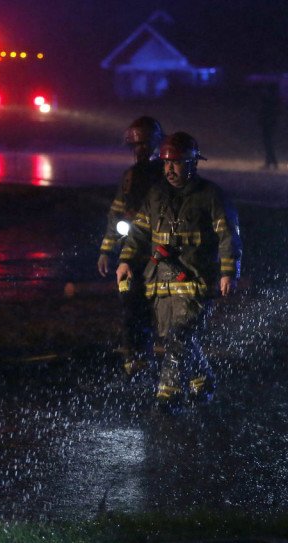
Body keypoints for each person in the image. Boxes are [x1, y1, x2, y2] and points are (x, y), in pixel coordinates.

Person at [116, 132, 242, 410]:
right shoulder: (156, 195)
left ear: (192, 164)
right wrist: (125, 261)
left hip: (196, 280)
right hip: (160, 282)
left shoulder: (211, 196)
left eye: (177, 163)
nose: (170, 169)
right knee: (173, 337)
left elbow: (228, 236)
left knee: (181, 336)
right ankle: (202, 380)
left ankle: (167, 393)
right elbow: (138, 232)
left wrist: (228, 272)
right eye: (166, 163)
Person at [97, 116, 165, 377]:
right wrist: (106, 250)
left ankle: (165, 355)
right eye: (136, 146)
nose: (141, 151)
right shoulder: (129, 177)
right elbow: (116, 214)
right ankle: (133, 357)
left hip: (159, 251)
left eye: (145, 145)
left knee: (163, 306)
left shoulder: (167, 173)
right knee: (131, 304)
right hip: (131, 252)